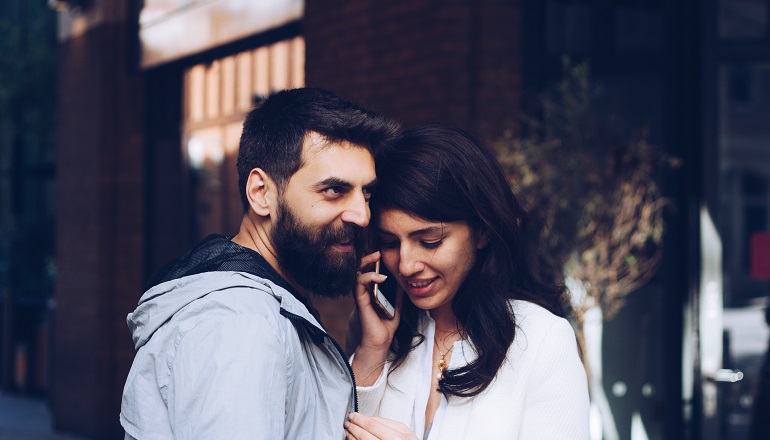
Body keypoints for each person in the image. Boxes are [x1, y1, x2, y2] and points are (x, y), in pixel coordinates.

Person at [119, 87, 400, 439]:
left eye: (366, 193)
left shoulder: (257, 304)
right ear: (261, 193)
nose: (361, 214)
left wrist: (371, 350)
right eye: (334, 190)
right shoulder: (241, 325)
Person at [344, 124, 590, 440]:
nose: (406, 265)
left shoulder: (543, 340)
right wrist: (372, 351)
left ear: (482, 231)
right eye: (390, 242)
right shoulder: (375, 331)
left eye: (430, 240)